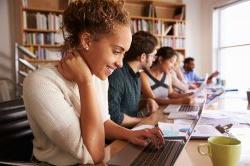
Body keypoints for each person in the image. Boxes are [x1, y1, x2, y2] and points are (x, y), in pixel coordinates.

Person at [23, 1, 164, 165]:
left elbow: (103, 123)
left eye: (123, 54)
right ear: (87, 41)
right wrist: (85, 82)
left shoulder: (98, 76)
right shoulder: (41, 83)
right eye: (117, 51)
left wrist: (130, 134)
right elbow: (94, 154)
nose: (120, 63)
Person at [108, 31, 159, 128]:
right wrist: (144, 121)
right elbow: (114, 116)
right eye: (153, 56)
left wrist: (146, 102)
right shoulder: (117, 75)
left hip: (133, 131)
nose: (154, 60)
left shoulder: (137, 75)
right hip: (118, 138)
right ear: (143, 57)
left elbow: (127, 106)